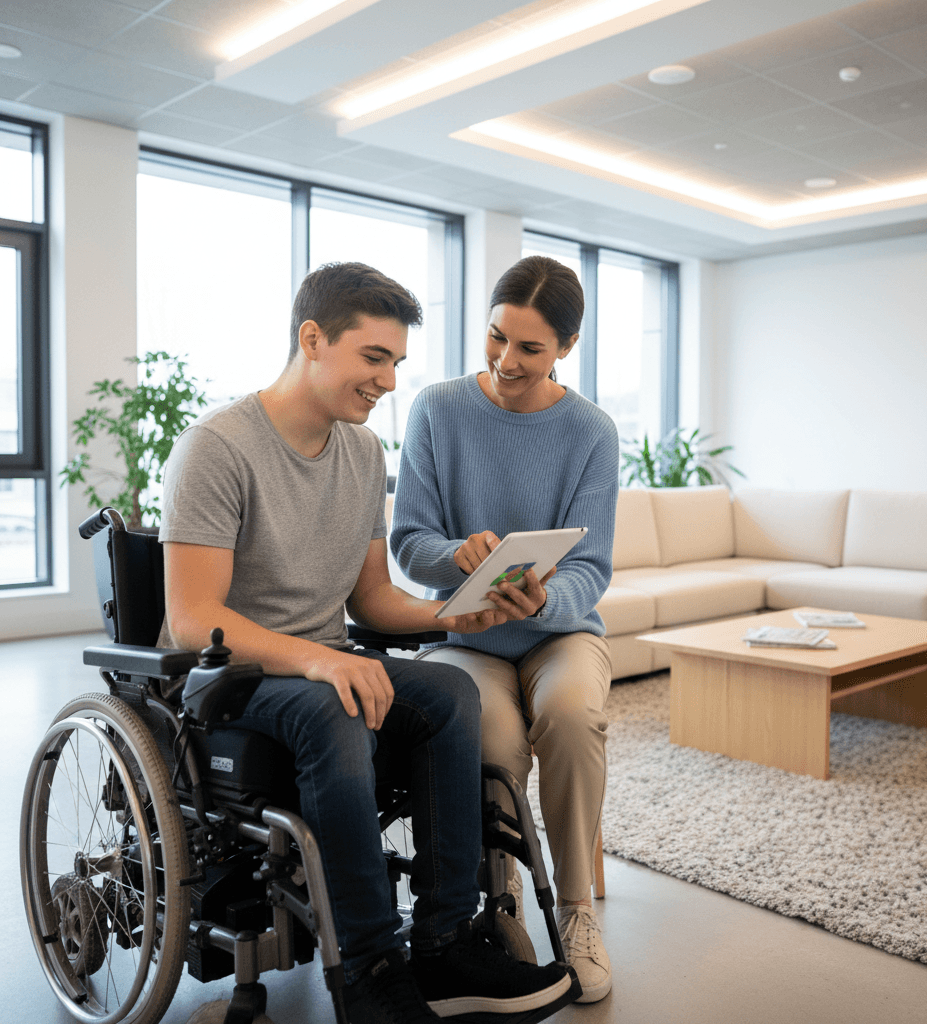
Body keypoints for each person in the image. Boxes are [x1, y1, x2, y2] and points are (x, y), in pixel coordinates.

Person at [159, 262, 572, 1024]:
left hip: (322, 662)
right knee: (333, 708)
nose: (387, 382)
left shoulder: (362, 453)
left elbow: (372, 598)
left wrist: (457, 615)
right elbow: (192, 618)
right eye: (373, 358)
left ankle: (445, 941)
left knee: (451, 691)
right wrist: (321, 658)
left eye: (396, 363)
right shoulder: (217, 447)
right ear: (313, 339)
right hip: (232, 677)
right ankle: (370, 968)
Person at [390, 255, 619, 1003]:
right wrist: (457, 554)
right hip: (467, 634)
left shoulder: (590, 430)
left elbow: (591, 566)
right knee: (488, 736)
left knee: (573, 712)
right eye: (497, 338)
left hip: (560, 632)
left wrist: (545, 604)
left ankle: (578, 910)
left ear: (567, 347)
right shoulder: (438, 408)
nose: (506, 361)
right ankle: (504, 898)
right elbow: (408, 539)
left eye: (531, 348)